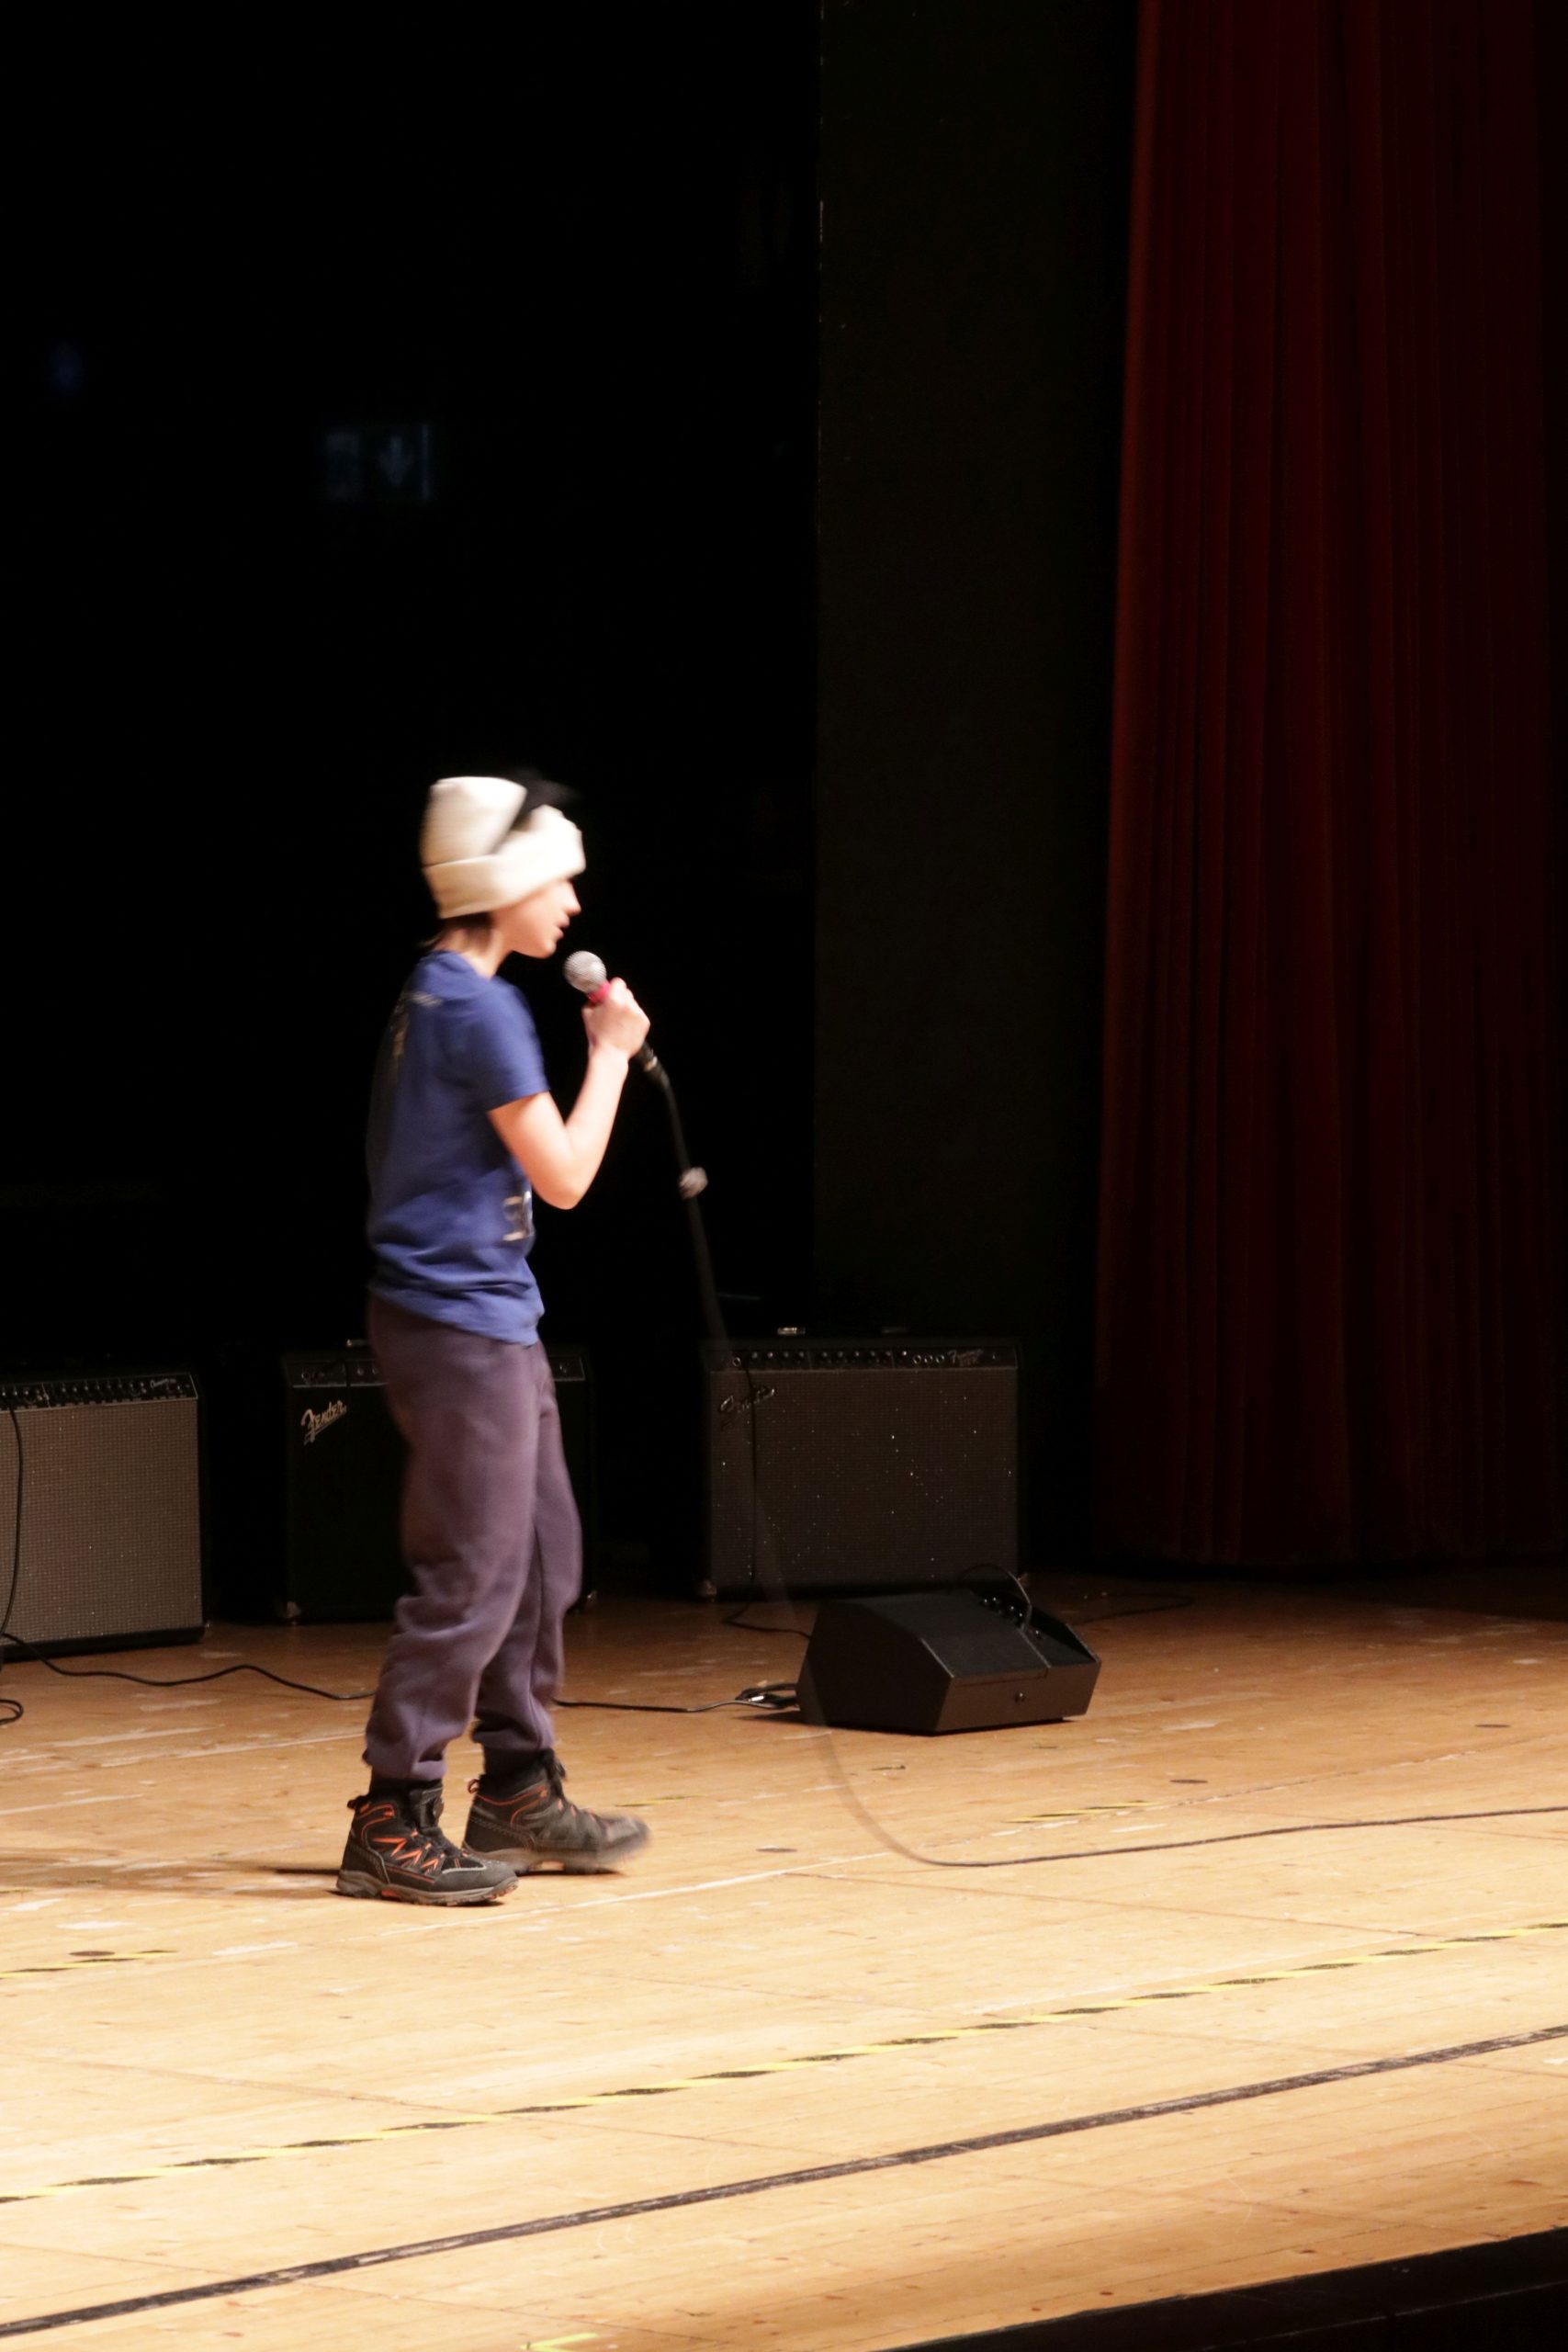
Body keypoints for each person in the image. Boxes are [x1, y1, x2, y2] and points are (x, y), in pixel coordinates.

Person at [336, 772, 651, 1905]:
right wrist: (609, 1054)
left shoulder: (440, 990)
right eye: (556, 876)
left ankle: (517, 1785)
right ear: (501, 878)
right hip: (454, 1319)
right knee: (473, 1567)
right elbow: (563, 1178)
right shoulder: (477, 1009)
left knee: (542, 1551)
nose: (571, 899)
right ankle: (393, 1810)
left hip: (490, 1312)